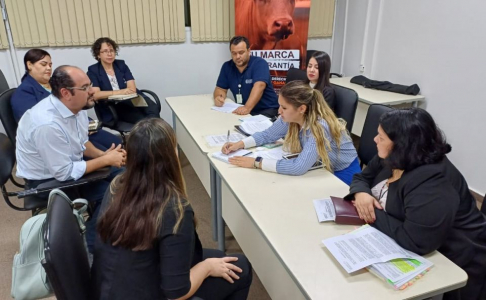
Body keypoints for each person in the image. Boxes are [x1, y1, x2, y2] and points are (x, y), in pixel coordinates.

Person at [92, 118, 253, 300]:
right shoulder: (174, 210)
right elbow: (176, 293)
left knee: (219, 257)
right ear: (171, 156)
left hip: (111, 286)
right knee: (241, 267)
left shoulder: (117, 185)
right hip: (151, 292)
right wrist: (206, 267)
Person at [344, 108, 486, 300]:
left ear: (401, 144)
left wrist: (370, 211)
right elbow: (362, 176)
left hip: (455, 260)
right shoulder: (394, 156)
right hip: (407, 240)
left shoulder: (433, 181)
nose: (375, 140)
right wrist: (361, 193)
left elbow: (415, 241)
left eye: (381, 137)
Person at [15, 65, 126, 252]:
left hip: (67, 166)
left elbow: (81, 143)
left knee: (127, 175)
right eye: (85, 88)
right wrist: (105, 161)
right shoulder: (47, 124)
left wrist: (102, 155)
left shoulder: (77, 108)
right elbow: (63, 172)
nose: (91, 91)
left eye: (89, 85)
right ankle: (93, 245)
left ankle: (112, 228)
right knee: (118, 191)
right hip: (47, 182)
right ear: (66, 93)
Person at [221, 81, 360, 185]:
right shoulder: (290, 116)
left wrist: (256, 163)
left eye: (284, 107)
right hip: (320, 166)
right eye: (280, 105)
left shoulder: (319, 127)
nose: (279, 111)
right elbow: (267, 135)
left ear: (301, 109)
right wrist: (239, 144)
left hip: (341, 173)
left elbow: (298, 167)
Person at [10, 49, 120, 150]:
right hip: (63, 139)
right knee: (112, 156)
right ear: (29, 65)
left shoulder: (55, 83)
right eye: (43, 64)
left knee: (119, 144)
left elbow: (74, 106)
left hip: (83, 131)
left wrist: (87, 124)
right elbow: (36, 126)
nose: (48, 68)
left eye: (50, 64)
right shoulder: (23, 93)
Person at [87, 37, 160, 124]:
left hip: (132, 99)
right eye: (105, 51)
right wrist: (121, 92)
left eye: (112, 50)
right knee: (143, 119)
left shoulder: (121, 64)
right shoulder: (93, 70)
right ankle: (154, 132)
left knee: (153, 109)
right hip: (114, 106)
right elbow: (96, 95)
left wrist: (115, 92)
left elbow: (132, 88)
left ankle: (157, 132)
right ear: (98, 54)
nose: (109, 54)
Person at [214, 36, 279, 118]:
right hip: (243, 111)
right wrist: (219, 98)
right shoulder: (227, 66)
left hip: (266, 110)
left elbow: (260, 86)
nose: (237, 57)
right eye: (234, 53)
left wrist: (247, 108)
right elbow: (220, 89)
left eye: (241, 53)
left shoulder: (259, 63)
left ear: (248, 51)